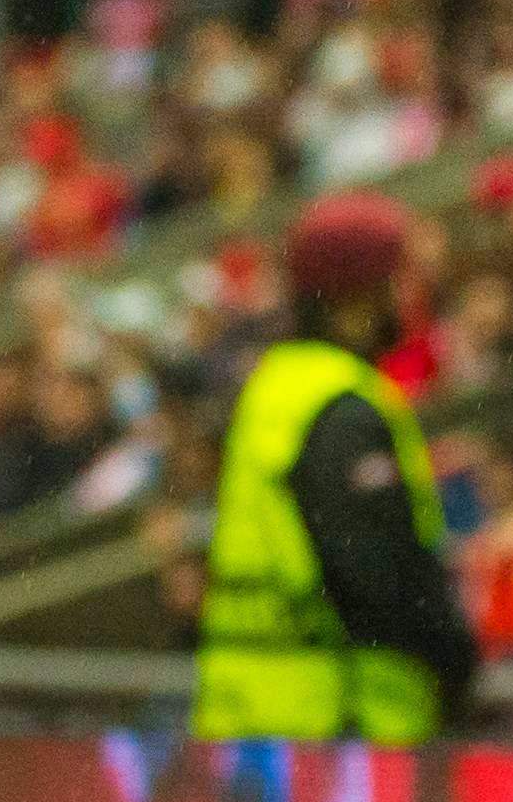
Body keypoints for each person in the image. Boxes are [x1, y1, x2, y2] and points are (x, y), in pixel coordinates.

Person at [193, 192, 479, 744]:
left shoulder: (278, 386)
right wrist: (455, 658)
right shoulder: (341, 409)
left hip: (257, 718)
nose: (411, 299)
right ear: (356, 299)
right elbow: (375, 576)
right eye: (398, 280)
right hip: (341, 727)